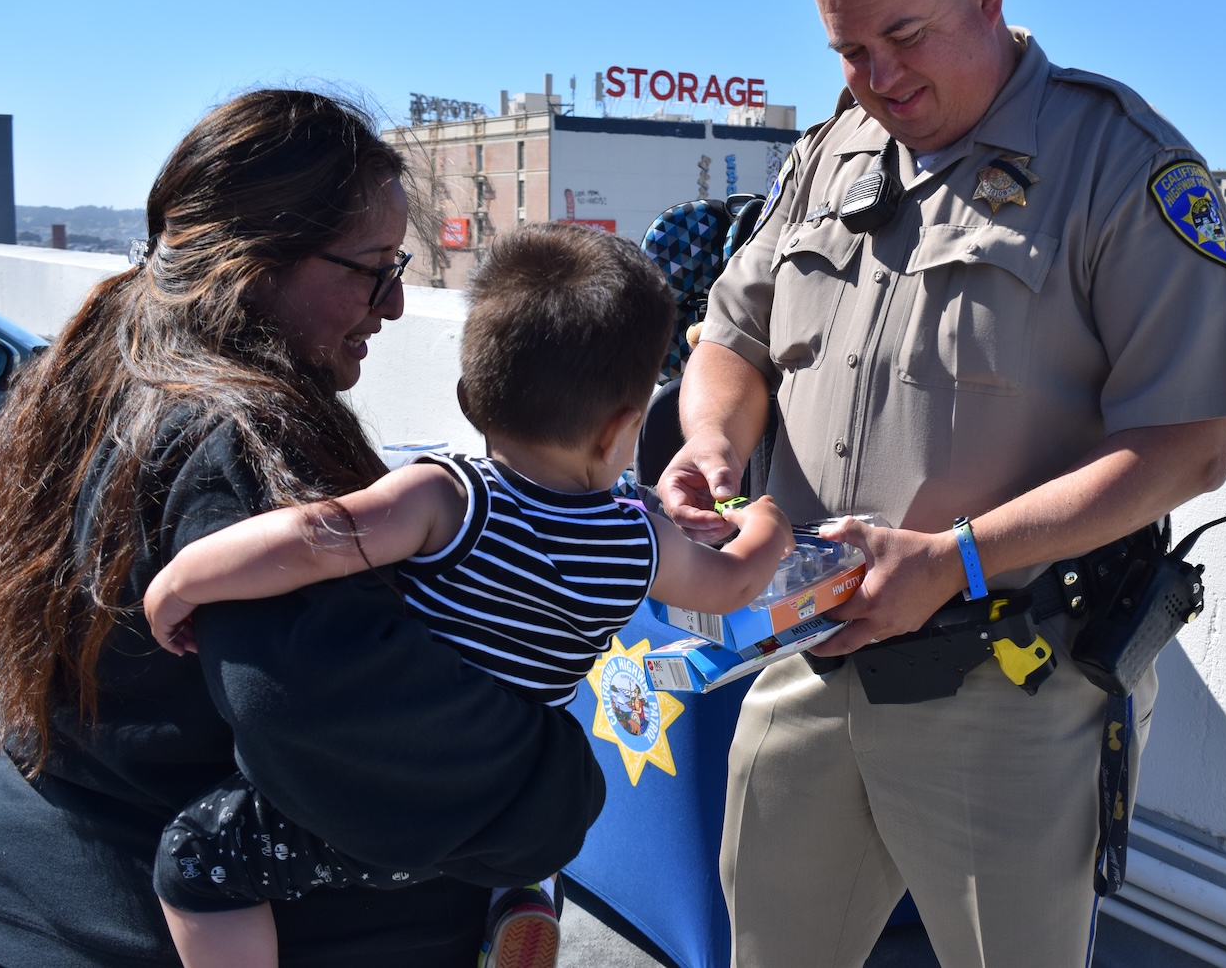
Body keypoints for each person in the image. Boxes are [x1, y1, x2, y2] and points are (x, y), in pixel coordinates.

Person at [655, 0, 1226, 966]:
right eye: (849, 50)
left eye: (903, 37)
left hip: (1008, 688)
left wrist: (954, 560)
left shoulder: (1117, 166)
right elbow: (731, 338)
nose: (877, 76)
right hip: (803, 659)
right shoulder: (828, 153)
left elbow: (1189, 445)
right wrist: (711, 445)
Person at [0, 90, 606, 968]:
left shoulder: (98, 373)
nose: (396, 305)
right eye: (373, 268)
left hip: (41, 892)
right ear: (253, 264)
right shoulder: (239, 440)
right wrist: (559, 784)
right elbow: (328, 720)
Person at [138, 222, 795, 968]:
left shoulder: (448, 496)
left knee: (194, 860)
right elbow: (736, 579)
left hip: (364, 803)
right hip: (498, 813)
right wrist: (771, 517)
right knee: (540, 773)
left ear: (469, 397)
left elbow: (309, 537)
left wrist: (182, 579)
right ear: (622, 424)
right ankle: (520, 893)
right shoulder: (639, 546)